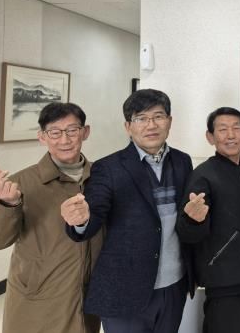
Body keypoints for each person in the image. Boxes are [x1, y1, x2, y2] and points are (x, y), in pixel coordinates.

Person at [61, 89, 194, 333]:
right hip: (124, 289)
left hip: (174, 284)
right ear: (128, 127)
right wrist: (80, 220)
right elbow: (94, 214)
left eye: (158, 116)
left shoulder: (183, 161)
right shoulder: (108, 168)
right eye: (141, 118)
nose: (151, 125)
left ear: (169, 121)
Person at [0, 102, 102, 333]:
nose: (65, 140)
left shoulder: (103, 178)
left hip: (88, 295)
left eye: (72, 130)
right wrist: (7, 204)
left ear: (85, 132)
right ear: (42, 137)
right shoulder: (21, 182)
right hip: (38, 297)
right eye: (55, 132)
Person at [176, 107, 240, 333]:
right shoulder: (203, 175)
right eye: (222, 129)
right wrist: (193, 220)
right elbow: (187, 233)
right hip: (225, 285)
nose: (231, 135)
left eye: (236, 128)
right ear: (210, 137)